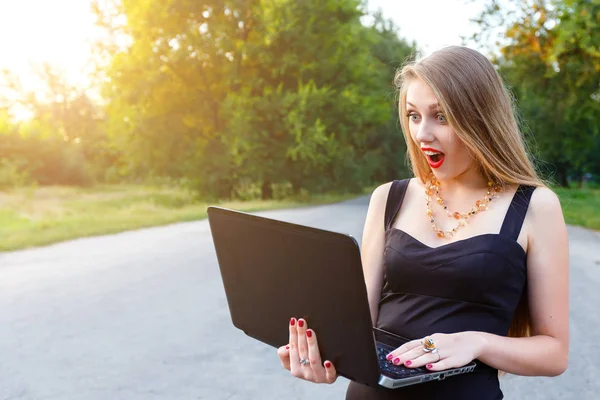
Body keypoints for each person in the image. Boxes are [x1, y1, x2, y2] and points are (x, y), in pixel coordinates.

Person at [276, 46, 570, 399]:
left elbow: (554, 353)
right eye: (414, 116)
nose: (422, 134)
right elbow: (359, 325)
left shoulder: (536, 207)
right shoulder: (388, 198)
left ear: (481, 119)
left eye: (441, 117)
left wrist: (476, 342)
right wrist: (322, 355)